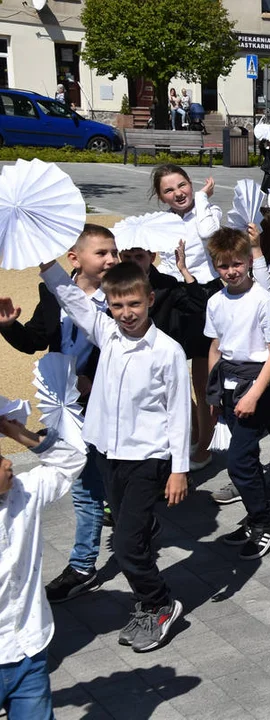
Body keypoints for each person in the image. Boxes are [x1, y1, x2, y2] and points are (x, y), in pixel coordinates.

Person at [40, 258, 189, 651]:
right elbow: (73, 300)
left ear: (150, 300)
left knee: (124, 545)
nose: (126, 314)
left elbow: (178, 412)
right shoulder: (107, 335)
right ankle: (146, 602)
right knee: (131, 539)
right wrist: (47, 266)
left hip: (148, 459)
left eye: (134, 305)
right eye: (118, 306)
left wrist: (179, 470)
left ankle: (160, 603)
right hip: (108, 455)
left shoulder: (167, 351)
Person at [0, 225, 115, 603]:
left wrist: (92, 382)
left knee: (104, 479)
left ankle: (115, 538)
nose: (112, 259)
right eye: (102, 253)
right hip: (63, 406)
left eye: (114, 252)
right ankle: (84, 563)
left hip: (103, 405)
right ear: (75, 259)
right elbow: (36, 339)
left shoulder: (120, 298)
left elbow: (125, 357)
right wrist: (9, 326)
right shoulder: (50, 293)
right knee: (84, 485)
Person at [204, 228, 270, 559]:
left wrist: (254, 394)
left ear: (248, 262)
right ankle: (253, 517)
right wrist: (213, 394)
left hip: (256, 384)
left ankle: (264, 523)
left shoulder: (262, 300)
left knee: (239, 462)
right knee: (245, 458)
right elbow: (215, 346)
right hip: (228, 384)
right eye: (223, 265)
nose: (231, 271)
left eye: (237, 264)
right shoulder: (215, 301)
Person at [0, 416, 86, 718]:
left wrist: (19, 433)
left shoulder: (23, 492)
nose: (8, 461)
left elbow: (72, 462)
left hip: (30, 650)